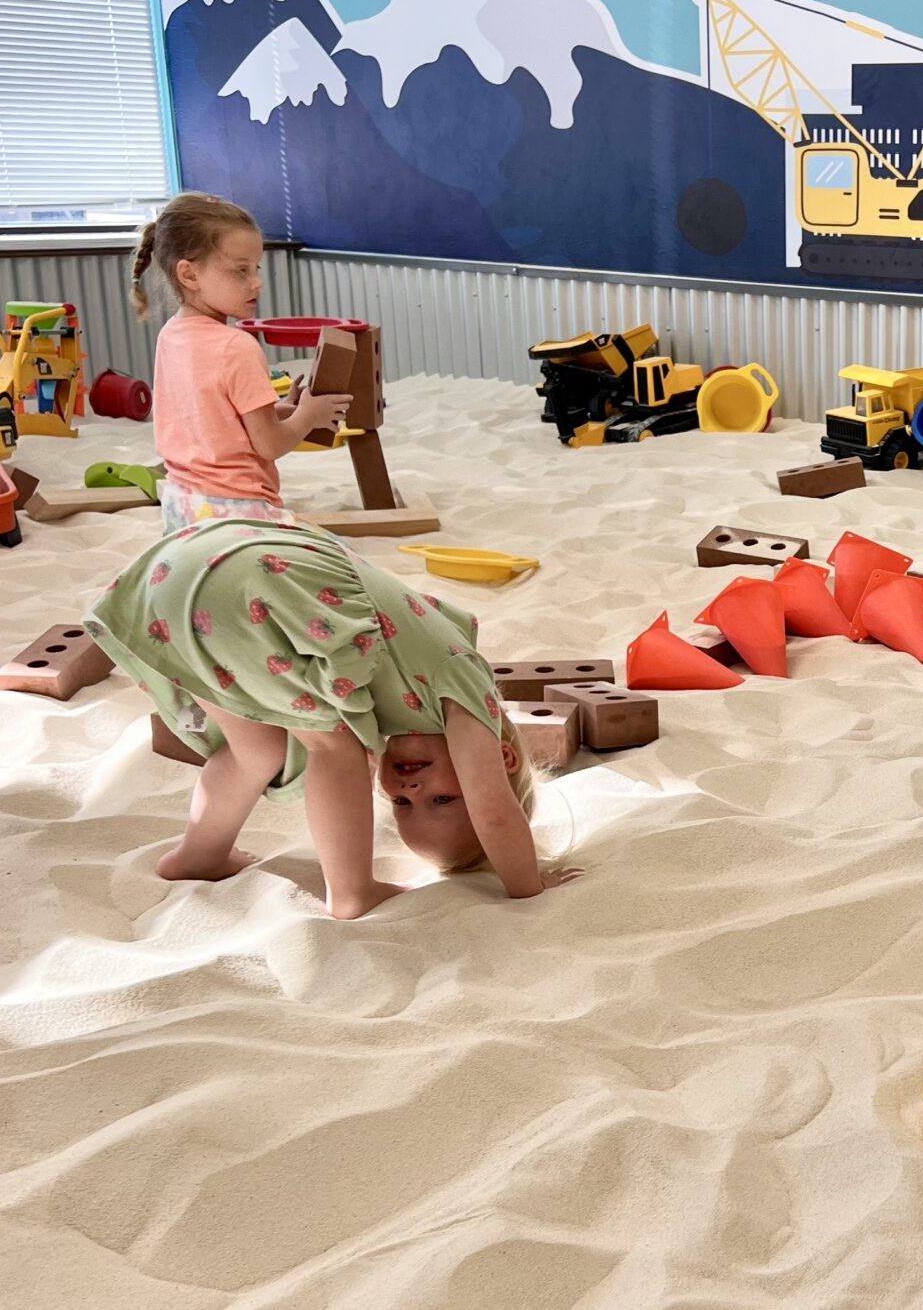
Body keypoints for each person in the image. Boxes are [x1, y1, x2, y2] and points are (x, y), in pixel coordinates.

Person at [86, 517, 570, 918]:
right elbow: (494, 812)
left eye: (401, 805)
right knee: (332, 743)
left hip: (183, 572)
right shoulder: (466, 688)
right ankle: (353, 890)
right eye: (444, 798)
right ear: (503, 756)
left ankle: (198, 856)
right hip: (255, 585)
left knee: (256, 751)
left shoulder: (391, 698)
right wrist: (530, 886)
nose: (411, 791)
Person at [129, 192, 351, 532]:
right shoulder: (237, 346)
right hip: (239, 513)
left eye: (256, 268)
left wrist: (280, 410)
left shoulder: (171, 336)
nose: (256, 281)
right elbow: (270, 444)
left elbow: (214, 423)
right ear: (189, 275)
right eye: (240, 271)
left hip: (182, 506)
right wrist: (310, 415)